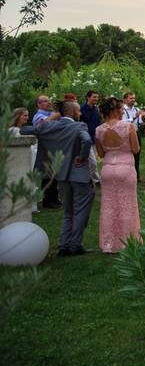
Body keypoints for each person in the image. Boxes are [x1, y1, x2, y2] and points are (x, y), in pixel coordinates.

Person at [21, 101, 93, 256]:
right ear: (73, 112)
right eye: (78, 111)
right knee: (80, 211)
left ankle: (63, 245)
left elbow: (26, 129)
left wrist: (48, 121)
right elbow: (87, 140)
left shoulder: (48, 127)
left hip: (60, 174)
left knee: (68, 211)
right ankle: (75, 245)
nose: (80, 114)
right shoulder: (79, 126)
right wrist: (81, 156)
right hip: (79, 175)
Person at [95, 96, 141, 253]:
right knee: (127, 205)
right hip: (125, 167)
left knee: (108, 206)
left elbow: (100, 153)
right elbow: (135, 149)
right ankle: (128, 242)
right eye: (121, 109)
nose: (123, 112)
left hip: (107, 169)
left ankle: (108, 244)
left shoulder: (99, 129)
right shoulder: (128, 127)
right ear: (114, 111)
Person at [121, 92, 145, 181]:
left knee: (137, 154)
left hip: (136, 133)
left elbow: (140, 123)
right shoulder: (122, 110)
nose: (133, 100)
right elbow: (123, 123)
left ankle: (136, 176)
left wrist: (143, 118)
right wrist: (135, 116)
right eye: (131, 98)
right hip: (126, 134)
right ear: (125, 100)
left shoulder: (137, 109)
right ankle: (127, 175)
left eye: (134, 98)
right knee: (127, 155)